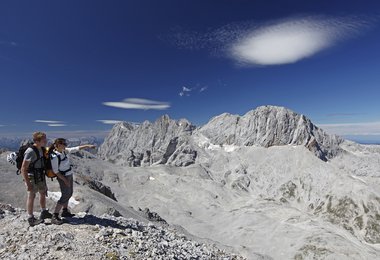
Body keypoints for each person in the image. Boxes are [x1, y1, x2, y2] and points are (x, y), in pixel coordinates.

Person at [48, 138, 96, 224]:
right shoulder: (54, 156)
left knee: (69, 193)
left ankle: (65, 211)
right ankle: (54, 216)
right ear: (58, 145)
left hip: (69, 175)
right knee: (65, 195)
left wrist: (87, 146)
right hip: (63, 177)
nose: (65, 145)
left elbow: (76, 148)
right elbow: (56, 172)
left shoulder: (64, 151)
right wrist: (65, 180)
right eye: (64, 144)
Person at [21, 132, 53, 226]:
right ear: (37, 141)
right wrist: (28, 183)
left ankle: (43, 212)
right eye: (44, 140)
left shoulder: (41, 149)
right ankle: (30, 218)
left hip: (40, 175)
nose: (46, 141)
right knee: (31, 196)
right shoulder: (30, 151)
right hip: (31, 176)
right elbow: (23, 168)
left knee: (43, 193)